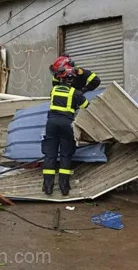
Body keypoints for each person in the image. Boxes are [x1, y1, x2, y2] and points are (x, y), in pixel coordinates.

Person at [42, 60, 89, 196]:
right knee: (65, 154)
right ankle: (64, 188)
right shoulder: (75, 93)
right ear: (72, 79)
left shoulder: (54, 90)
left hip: (51, 123)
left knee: (50, 154)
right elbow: (86, 105)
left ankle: (48, 187)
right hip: (66, 124)